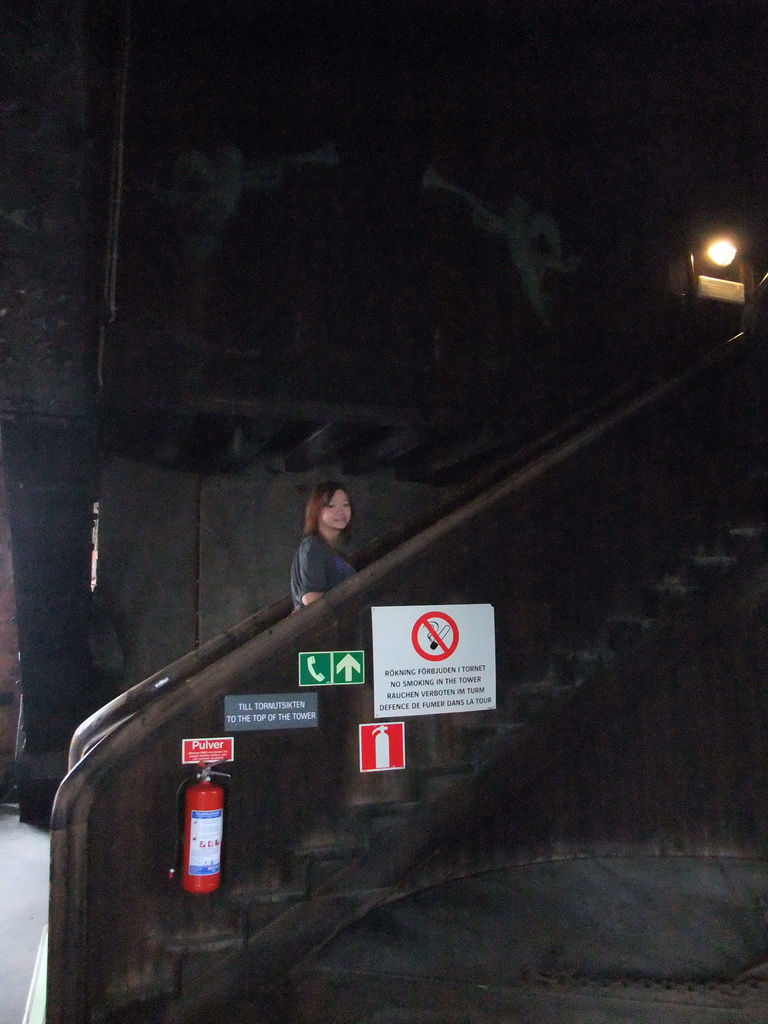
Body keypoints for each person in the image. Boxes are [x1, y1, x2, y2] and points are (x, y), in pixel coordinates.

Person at [290, 482, 356, 609]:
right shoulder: (313, 546)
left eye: (345, 504)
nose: (341, 511)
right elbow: (311, 599)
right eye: (331, 505)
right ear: (316, 511)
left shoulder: (334, 551)